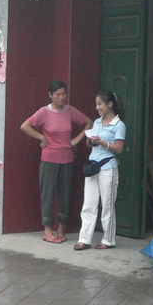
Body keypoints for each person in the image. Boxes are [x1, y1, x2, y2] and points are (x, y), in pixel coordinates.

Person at [21, 80, 92, 244]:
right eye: (58, 94)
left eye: (64, 94)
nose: (61, 97)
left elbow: (89, 122)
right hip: (49, 159)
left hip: (67, 159)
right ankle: (47, 231)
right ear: (50, 95)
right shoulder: (44, 112)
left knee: (65, 193)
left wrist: (76, 140)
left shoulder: (70, 111)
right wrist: (41, 137)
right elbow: (25, 126)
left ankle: (61, 228)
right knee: (48, 194)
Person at [74, 90, 125, 250]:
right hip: (93, 166)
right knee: (88, 204)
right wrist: (90, 141)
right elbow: (90, 143)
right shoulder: (96, 122)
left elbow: (119, 149)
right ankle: (84, 239)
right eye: (96, 104)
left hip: (108, 168)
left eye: (100, 104)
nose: (97, 107)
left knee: (107, 205)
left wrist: (102, 142)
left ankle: (108, 239)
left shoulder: (119, 125)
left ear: (110, 104)